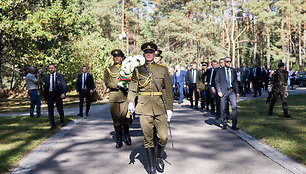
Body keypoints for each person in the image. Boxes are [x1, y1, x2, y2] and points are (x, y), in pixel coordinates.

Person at [128, 42, 173, 174]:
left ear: (154, 54)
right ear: (143, 54)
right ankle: (151, 167)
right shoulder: (138, 70)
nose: (149, 54)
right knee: (148, 138)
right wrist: (130, 102)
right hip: (144, 107)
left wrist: (169, 108)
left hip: (159, 106)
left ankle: (158, 156)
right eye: (146, 52)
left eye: (151, 52)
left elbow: (168, 90)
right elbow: (132, 87)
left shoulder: (163, 69)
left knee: (163, 137)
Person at [104, 49, 131, 148]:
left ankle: (127, 135)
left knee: (125, 117)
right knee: (116, 119)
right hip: (114, 97)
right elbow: (107, 83)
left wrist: (126, 85)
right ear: (113, 58)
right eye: (115, 56)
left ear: (122, 57)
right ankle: (119, 139)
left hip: (124, 96)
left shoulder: (127, 68)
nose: (117, 58)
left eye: (119, 56)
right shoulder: (109, 69)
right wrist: (119, 85)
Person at [215, 57, 240, 130]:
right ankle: (224, 123)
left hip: (232, 91)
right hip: (223, 91)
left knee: (234, 107)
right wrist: (219, 91)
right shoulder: (220, 70)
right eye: (227, 61)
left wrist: (237, 92)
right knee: (223, 108)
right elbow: (216, 81)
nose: (229, 63)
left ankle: (234, 125)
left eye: (230, 61)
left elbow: (235, 81)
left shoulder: (233, 70)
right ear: (224, 62)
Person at [44, 63, 66, 129]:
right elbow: (45, 88)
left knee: (60, 109)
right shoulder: (46, 77)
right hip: (50, 95)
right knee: (50, 110)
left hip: (58, 94)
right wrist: (45, 98)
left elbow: (64, 85)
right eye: (50, 68)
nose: (51, 69)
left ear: (55, 68)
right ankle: (52, 125)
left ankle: (62, 121)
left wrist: (63, 93)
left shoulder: (60, 76)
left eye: (52, 68)